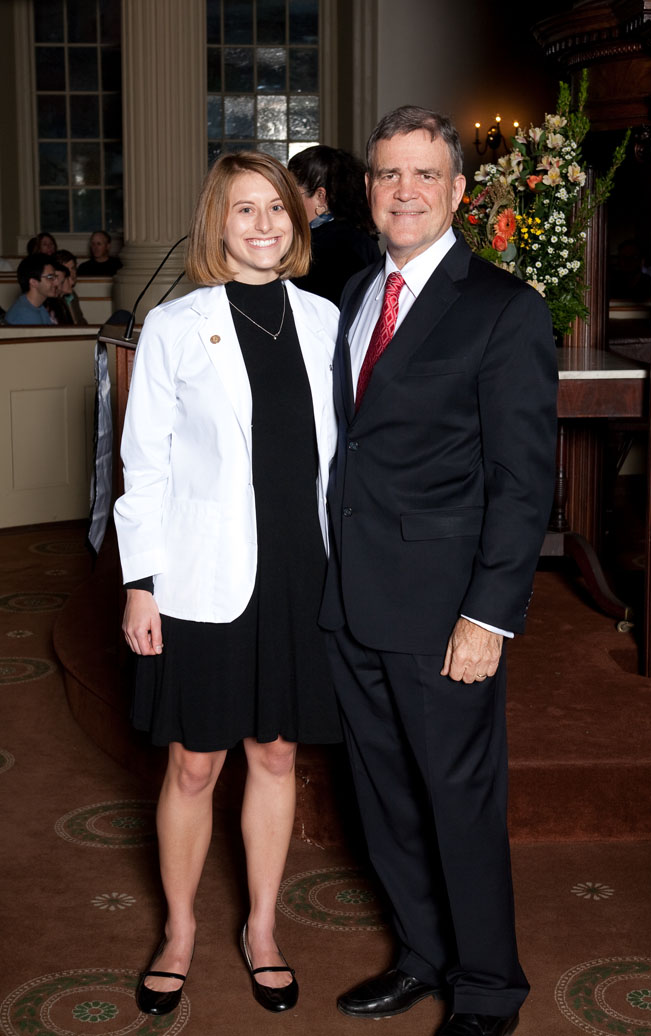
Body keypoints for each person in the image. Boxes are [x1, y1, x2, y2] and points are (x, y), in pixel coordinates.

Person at [319, 106, 558, 1036]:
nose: (405, 191)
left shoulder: (504, 307)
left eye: (426, 174)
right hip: (350, 601)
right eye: (389, 174)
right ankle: (423, 954)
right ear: (367, 190)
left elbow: (522, 481)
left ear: (459, 191)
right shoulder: (353, 293)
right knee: (383, 800)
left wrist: (488, 616)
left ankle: (488, 986)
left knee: (459, 804)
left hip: (445, 613)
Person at [114, 151, 341, 1017]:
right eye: (244, 209)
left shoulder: (326, 319)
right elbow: (145, 463)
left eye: (276, 207)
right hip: (202, 573)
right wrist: (141, 583)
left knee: (276, 754)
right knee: (195, 762)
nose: (263, 224)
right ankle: (178, 931)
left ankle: (264, 928)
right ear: (218, 221)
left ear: (297, 217)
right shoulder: (176, 325)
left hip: (301, 568)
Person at [288, 145, 380, 305]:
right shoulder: (359, 235)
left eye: (292, 193)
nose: (285, 200)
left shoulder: (328, 249)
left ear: (321, 197)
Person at [4, 254, 56, 325]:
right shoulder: (24, 314)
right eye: (50, 277)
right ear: (33, 282)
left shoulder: (39, 307)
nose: (55, 282)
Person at [55, 249, 88, 324]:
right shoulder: (53, 299)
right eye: (66, 270)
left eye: (73, 268)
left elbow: (80, 321)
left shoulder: (73, 295)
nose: (71, 274)